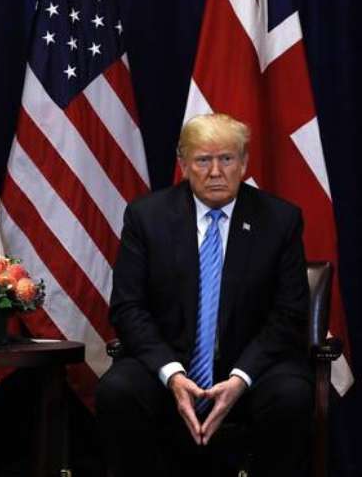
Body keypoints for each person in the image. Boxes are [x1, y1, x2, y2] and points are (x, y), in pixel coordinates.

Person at [96, 113, 313, 476]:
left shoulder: (280, 219)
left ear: (243, 163)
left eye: (227, 159)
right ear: (183, 165)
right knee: (117, 391)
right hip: (169, 371)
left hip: (250, 371)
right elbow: (128, 307)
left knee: (292, 396)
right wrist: (174, 375)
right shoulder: (146, 217)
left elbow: (290, 313)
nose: (216, 171)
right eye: (203, 160)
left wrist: (241, 378)